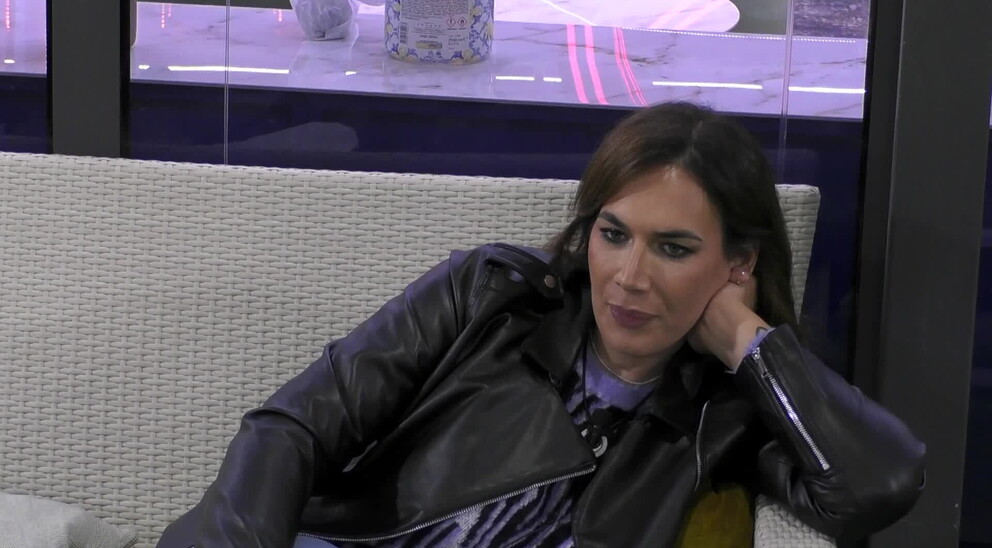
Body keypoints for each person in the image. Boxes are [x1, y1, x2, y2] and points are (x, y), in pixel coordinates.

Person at [158, 102, 925, 548]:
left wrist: (743, 341)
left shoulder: (729, 414)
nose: (628, 277)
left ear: (737, 265)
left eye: (674, 249)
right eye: (614, 234)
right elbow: (292, 426)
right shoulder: (493, 295)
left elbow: (879, 486)